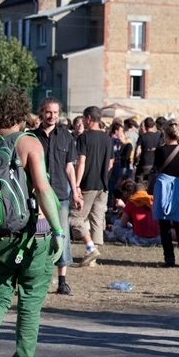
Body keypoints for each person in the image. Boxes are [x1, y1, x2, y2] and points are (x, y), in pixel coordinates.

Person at [0, 87, 65, 357]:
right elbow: (42, 188)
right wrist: (59, 231)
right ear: (22, 113)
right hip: (32, 237)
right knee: (30, 302)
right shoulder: (28, 142)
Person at [31, 97, 81, 296]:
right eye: (48, 112)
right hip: (37, 194)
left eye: (55, 113)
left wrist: (75, 192)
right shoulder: (32, 137)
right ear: (41, 113)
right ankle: (33, 276)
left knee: (62, 236)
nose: (52, 116)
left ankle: (62, 281)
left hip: (60, 194)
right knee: (36, 236)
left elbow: (70, 167)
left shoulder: (66, 137)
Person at [70, 106, 113, 267]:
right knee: (96, 220)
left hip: (88, 183)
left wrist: (76, 184)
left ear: (88, 118)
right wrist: (106, 179)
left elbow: (81, 162)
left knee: (75, 217)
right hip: (103, 184)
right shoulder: (107, 138)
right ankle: (92, 257)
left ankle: (90, 248)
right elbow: (111, 163)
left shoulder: (84, 138)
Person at [152, 122, 179, 267]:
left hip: (164, 185)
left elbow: (156, 166)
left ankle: (169, 257)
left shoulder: (160, 150)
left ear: (165, 134)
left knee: (164, 224)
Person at [112, 180, 161, 245]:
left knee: (116, 226)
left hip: (139, 239)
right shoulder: (152, 200)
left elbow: (122, 224)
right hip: (157, 239)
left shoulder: (132, 202)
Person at [135, 117, 163, 182]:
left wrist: (136, 161)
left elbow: (137, 151)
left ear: (145, 125)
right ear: (153, 125)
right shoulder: (158, 135)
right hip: (154, 164)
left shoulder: (142, 136)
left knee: (140, 183)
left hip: (144, 164)